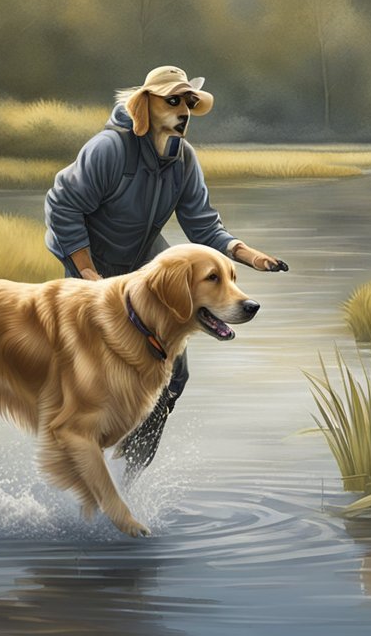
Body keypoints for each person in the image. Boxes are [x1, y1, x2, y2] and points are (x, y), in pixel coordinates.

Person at [44, 65, 288, 478]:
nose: (184, 110)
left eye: (188, 102)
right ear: (146, 106)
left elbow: (204, 226)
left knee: (174, 373)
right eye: (173, 101)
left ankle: (132, 474)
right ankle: (79, 465)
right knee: (98, 373)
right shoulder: (109, 149)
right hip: (91, 264)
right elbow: (63, 205)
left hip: (144, 263)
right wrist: (86, 272)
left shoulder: (183, 160)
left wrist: (253, 257)